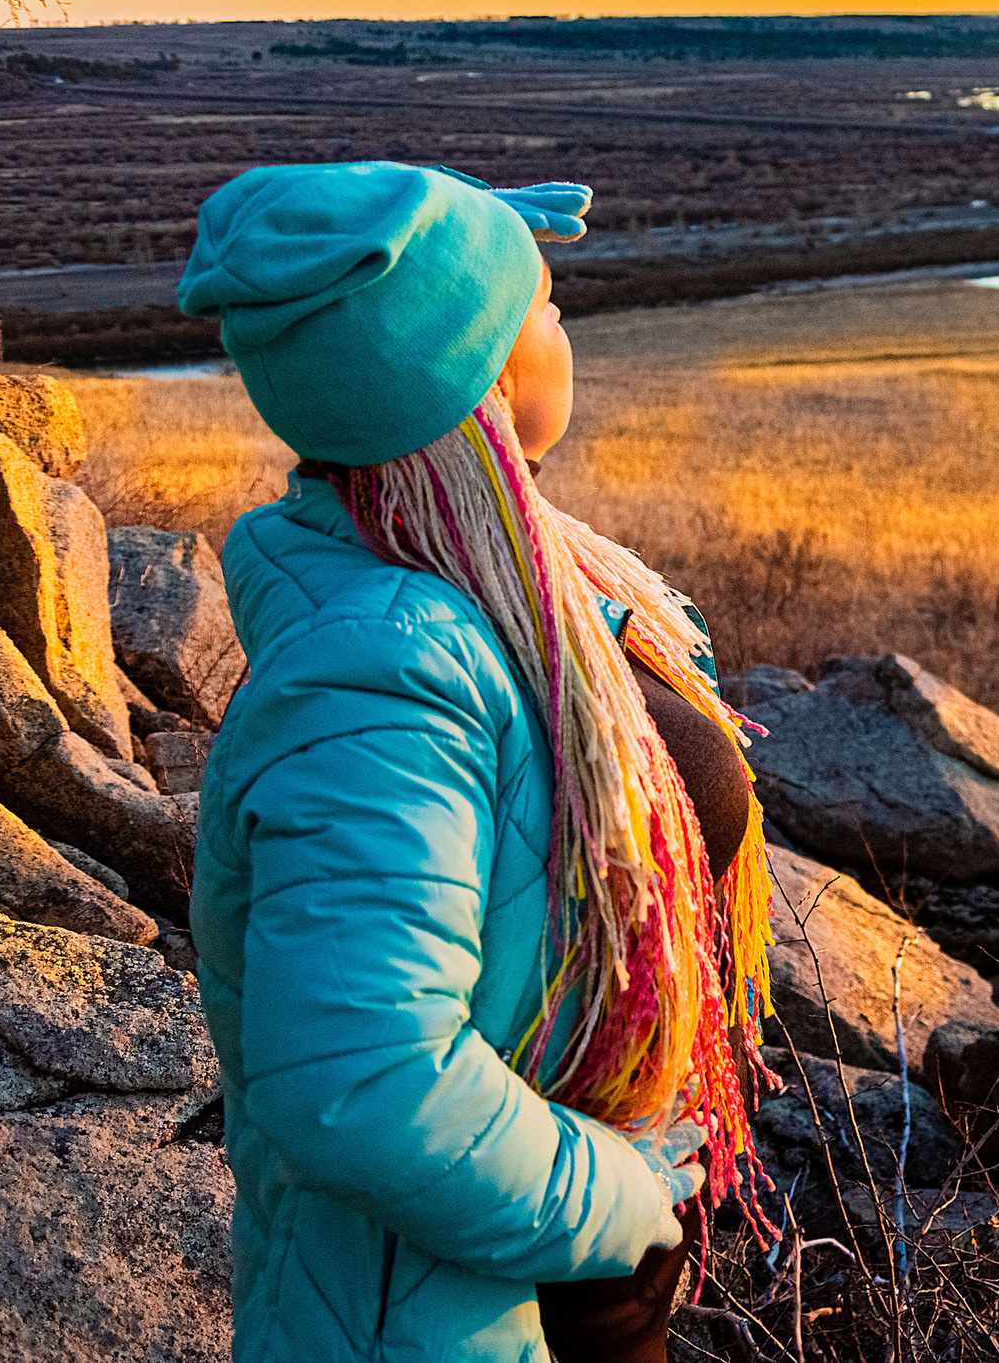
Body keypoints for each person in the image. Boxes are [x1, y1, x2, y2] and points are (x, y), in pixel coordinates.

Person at [178, 162, 776, 1362]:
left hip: (547, 1280)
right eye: (544, 303)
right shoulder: (386, 672)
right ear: (484, 368)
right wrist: (623, 1197)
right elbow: (362, 1081)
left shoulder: (506, 582)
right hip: (449, 1313)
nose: (565, 323)